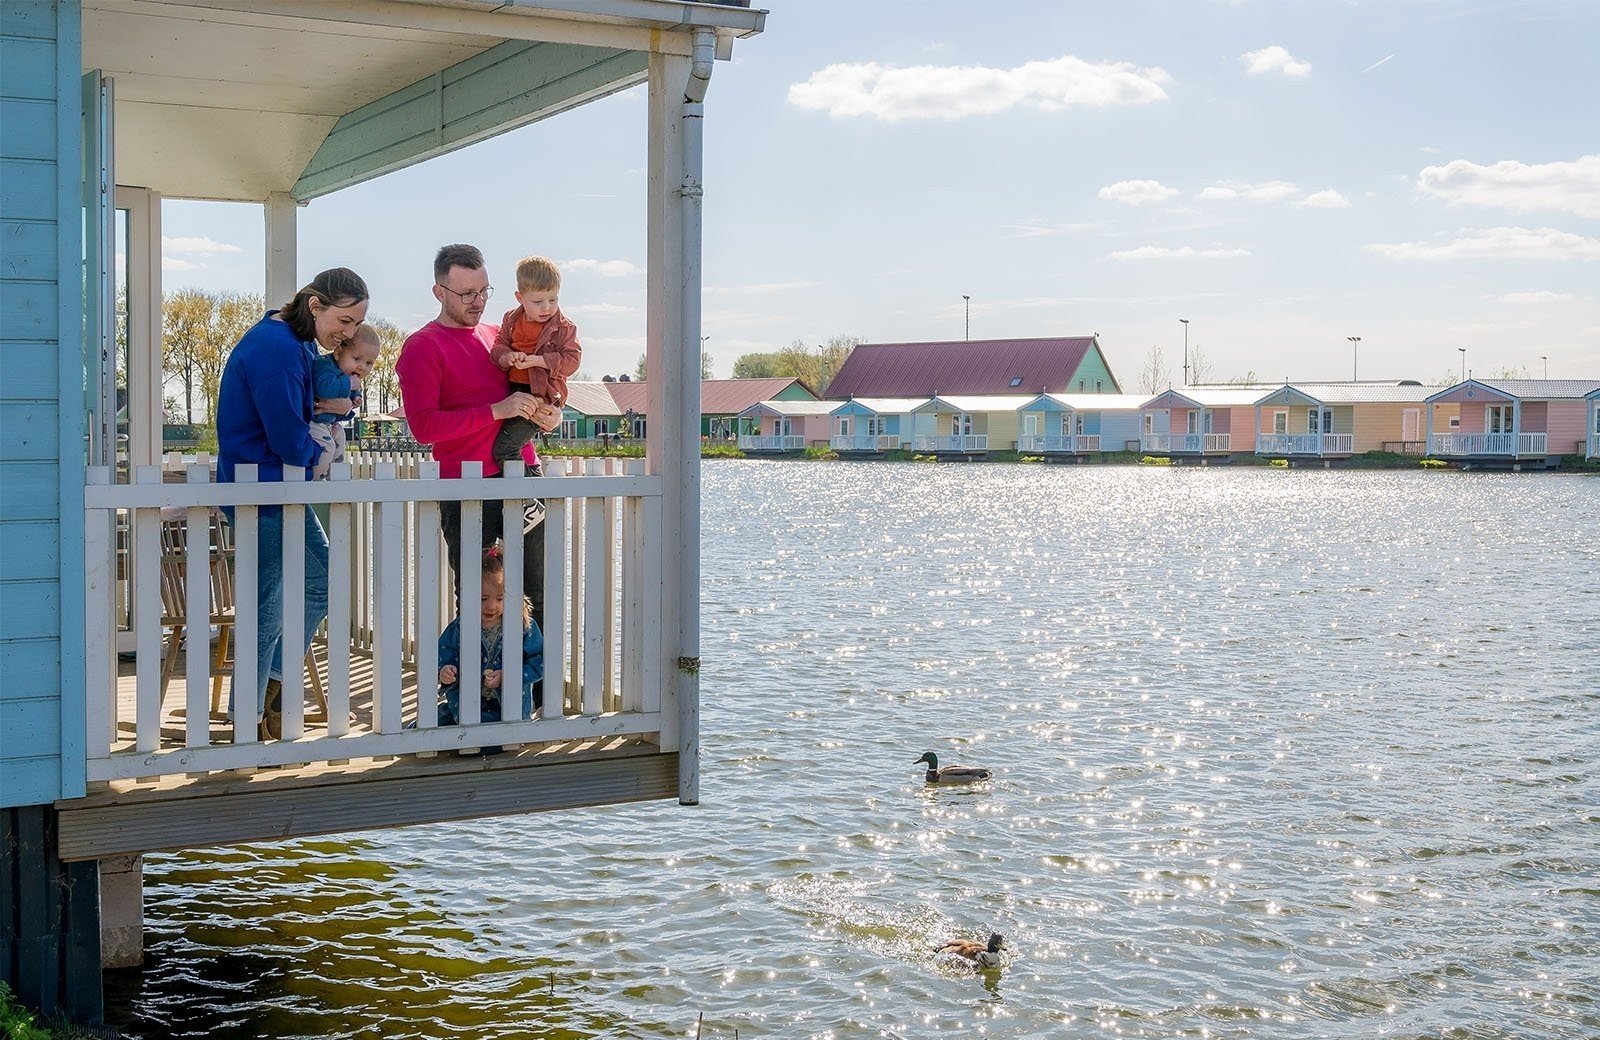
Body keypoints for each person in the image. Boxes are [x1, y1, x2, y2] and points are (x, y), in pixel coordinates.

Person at [216, 267, 367, 739]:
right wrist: (321, 452)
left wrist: (337, 408)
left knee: (322, 581)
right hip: (262, 492)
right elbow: (288, 440)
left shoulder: (294, 343)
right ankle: (248, 716)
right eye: (344, 321)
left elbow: (312, 407)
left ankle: (273, 687)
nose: (348, 335)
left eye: (356, 324)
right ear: (316, 306)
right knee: (267, 605)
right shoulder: (277, 350)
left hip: (279, 491)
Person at [395, 244, 562, 619]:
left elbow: (534, 391)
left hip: (523, 473)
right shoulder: (422, 347)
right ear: (439, 292)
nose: (479, 301)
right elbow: (423, 427)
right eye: (467, 293)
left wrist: (550, 415)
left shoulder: (499, 335)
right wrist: (496, 411)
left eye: (484, 290)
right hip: (467, 486)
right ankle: (475, 662)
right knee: (477, 596)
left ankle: (535, 662)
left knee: (536, 590)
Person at [433, 546, 544, 727]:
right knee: (434, 722)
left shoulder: (523, 627)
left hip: (508, 708)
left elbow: (540, 661)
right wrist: (445, 670)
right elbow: (443, 653)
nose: (491, 606)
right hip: (468, 705)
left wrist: (508, 676)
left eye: (500, 598)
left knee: (492, 730)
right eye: (483, 598)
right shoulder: (460, 627)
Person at [487, 255, 582, 466]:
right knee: (508, 444)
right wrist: (507, 356)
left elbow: (572, 360)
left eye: (553, 299)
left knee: (506, 448)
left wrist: (538, 361)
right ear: (520, 297)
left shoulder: (564, 327)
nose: (546, 308)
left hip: (541, 395)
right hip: (513, 392)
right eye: (538, 302)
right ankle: (531, 484)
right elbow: (498, 348)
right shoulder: (511, 320)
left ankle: (525, 488)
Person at [309, 321, 381, 478]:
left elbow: (353, 390)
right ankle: (315, 480)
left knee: (340, 443)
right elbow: (323, 387)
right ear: (338, 353)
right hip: (314, 421)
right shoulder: (324, 365)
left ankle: (334, 476)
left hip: (331, 422)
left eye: (369, 363)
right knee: (326, 447)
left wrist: (356, 398)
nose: (362, 366)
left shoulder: (348, 375)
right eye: (356, 359)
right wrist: (349, 383)